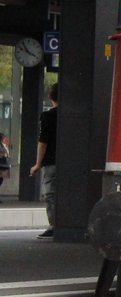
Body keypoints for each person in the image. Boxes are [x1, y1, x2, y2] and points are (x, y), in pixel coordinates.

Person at [30, 83, 56, 239]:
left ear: (50, 96)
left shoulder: (47, 116)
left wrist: (37, 164)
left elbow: (43, 142)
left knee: (50, 193)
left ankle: (54, 225)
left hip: (50, 162)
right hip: (68, 163)